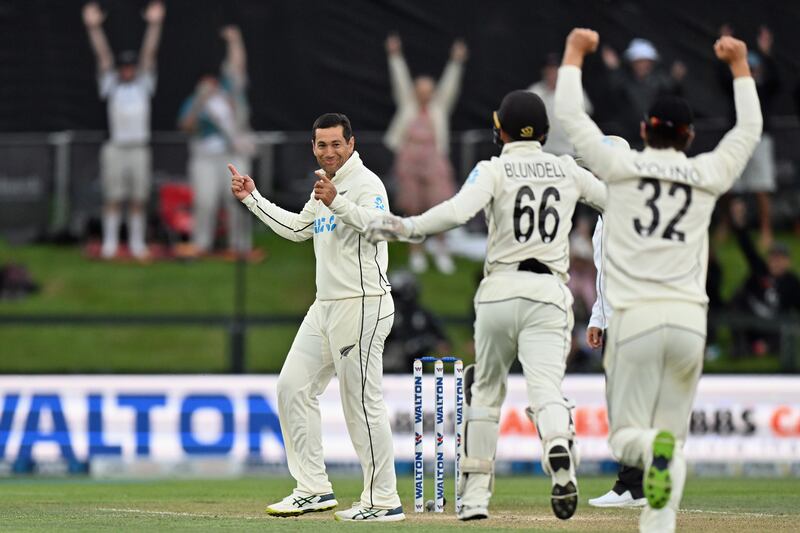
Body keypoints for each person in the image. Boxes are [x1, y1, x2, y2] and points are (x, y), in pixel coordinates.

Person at [555, 28, 761, 533]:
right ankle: (659, 511)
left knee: (629, 438)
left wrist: (573, 56)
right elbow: (748, 129)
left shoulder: (620, 171)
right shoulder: (708, 172)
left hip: (637, 318)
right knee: (672, 442)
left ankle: (650, 454)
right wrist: (740, 67)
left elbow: (569, 117)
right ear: (689, 137)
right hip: (691, 322)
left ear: (645, 129)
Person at [366, 90, 608, 521]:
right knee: (547, 390)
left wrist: (407, 227)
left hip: (499, 290)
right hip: (549, 293)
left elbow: (457, 212)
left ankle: (475, 499)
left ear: (501, 130)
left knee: (486, 390)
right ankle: (557, 447)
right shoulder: (567, 169)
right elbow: (617, 203)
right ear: (546, 132)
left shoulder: (492, 169)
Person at [229, 113, 404, 522]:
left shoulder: (366, 184)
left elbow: (381, 229)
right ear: (313, 147)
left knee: (361, 402)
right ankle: (312, 489)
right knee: (292, 387)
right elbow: (296, 229)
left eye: (336, 144)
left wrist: (337, 202)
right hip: (325, 306)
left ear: (351, 144)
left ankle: (383, 500)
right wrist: (251, 198)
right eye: (321, 145)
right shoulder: (322, 188)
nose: (329, 152)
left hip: (363, 304)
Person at [580, 136, 648, 508]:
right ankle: (632, 484)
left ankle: (638, 483)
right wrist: (597, 317)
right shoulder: (606, 216)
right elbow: (604, 274)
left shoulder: (630, 211)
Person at [82, 1, 165, 260]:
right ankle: (109, 244)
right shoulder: (111, 85)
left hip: (139, 147)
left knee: (138, 198)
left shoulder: (143, 84)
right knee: (113, 197)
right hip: (116, 148)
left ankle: (137, 244)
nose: (128, 70)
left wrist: (155, 24)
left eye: (132, 67)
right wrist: (93, 28)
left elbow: (149, 53)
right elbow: (103, 56)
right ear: (120, 70)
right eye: (124, 67)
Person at [384, 33, 468, 275]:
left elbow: (450, 86)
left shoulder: (439, 108)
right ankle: (416, 250)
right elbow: (399, 80)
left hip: (434, 161)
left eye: (428, 91)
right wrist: (394, 55)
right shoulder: (407, 105)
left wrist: (456, 61)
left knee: (440, 203)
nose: (424, 95)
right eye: (420, 90)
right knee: (413, 206)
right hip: (409, 161)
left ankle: (441, 249)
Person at [179, 25, 255, 258]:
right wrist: (200, 101)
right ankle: (201, 243)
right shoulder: (196, 100)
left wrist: (234, 40)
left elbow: (237, 64)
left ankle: (240, 244)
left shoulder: (231, 90)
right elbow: (186, 126)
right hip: (205, 157)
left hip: (233, 153)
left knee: (239, 199)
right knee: (205, 201)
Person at [720, 26, 781, 250]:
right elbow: (722, 77)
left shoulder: (766, 87)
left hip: (760, 140)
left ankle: (766, 230)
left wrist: (766, 53)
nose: (752, 71)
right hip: (736, 140)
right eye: (749, 67)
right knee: (727, 186)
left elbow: (776, 81)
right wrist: (726, 47)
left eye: (755, 68)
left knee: (761, 187)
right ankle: (726, 225)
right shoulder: (734, 86)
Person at [729, 199, 800, 357]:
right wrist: (739, 223)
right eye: (773, 257)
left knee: (785, 330)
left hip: (773, 327)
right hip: (752, 321)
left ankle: (763, 348)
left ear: (787, 262)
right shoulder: (760, 269)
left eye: (780, 258)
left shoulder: (792, 282)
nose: (776, 262)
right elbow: (747, 247)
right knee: (737, 300)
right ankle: (741, 346)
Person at [601, 38, 686, 145]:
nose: (642, 65)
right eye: (638, 62)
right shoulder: (623, 82)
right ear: (631, 63)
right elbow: (614, 93)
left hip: (657, 139)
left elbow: (675, 97)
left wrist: (676, 80)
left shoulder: (662, 82)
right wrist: (613, 69)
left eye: (645, 61)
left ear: (651, 63)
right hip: (629, 138)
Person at [529, 53, 593, 156]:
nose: (552, 74)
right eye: (549, 70)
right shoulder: (535, 92)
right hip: (543, 152)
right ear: (544, 72)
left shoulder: (574, 90)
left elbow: (587, 115)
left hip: (569, 152)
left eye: (555, 70)